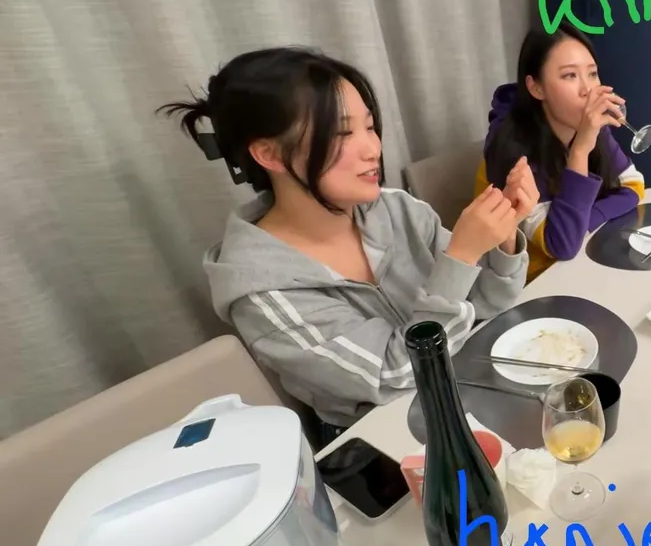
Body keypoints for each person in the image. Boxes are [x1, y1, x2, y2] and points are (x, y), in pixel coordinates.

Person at [161, 47, 533, 443]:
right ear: (270, 154)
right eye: (342, 133)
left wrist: (504, 235)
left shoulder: (397, 210)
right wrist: (461, 255)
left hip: (463, 391)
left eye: (369, 127)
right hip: (378, 443)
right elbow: (392, 374)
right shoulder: (262, 293)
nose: (373, 148)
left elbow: (488, 303)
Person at [477, 26, 646, 280]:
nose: (588, 90)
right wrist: (580, 151)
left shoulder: (589, 127)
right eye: (569, 75)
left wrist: (584, 220)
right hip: (527, 284)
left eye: (592, 73)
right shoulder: (512, 153)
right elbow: (562, 245)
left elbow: (634, 185)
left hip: (580, 266)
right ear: (537, 88)